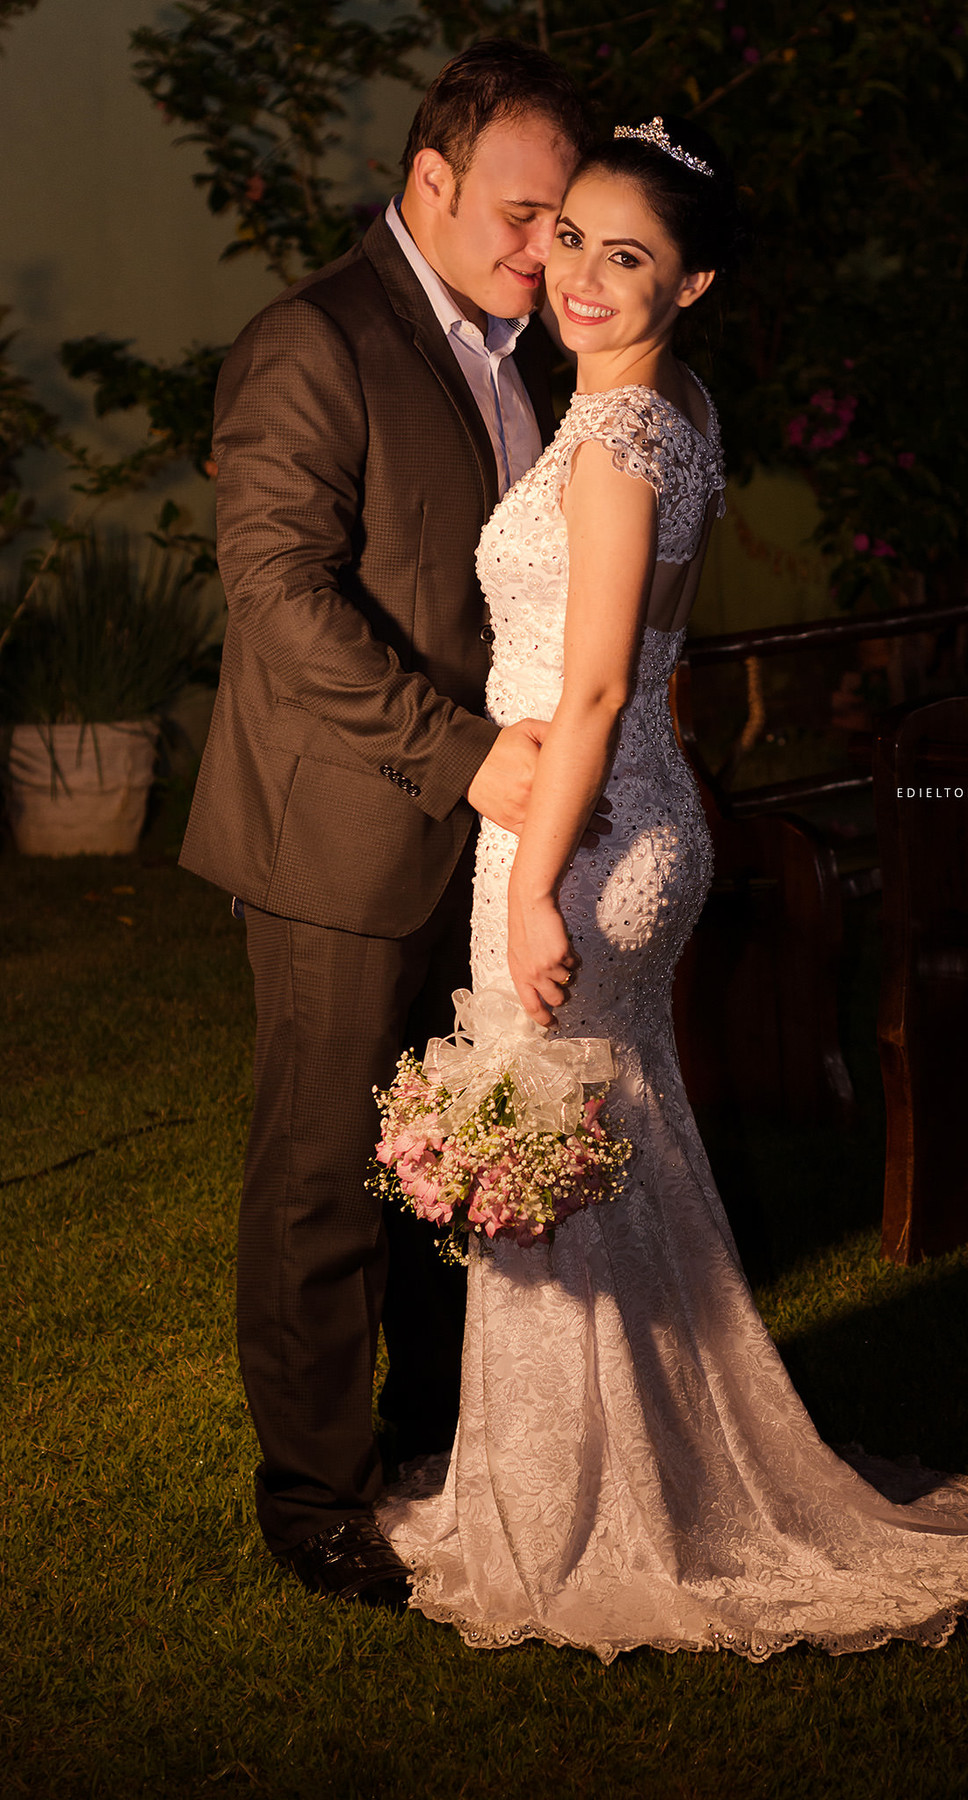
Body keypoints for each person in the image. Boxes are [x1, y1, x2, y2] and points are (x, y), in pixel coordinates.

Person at [378, 117, 968, 1660]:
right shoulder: (656, 406)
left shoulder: (619, 437)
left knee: (549, 1147)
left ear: (692, 283)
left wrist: (536, 887)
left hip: (587, 824)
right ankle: (619, 1477)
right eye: (572, 242)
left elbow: (604, 682)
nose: (584, 278)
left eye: (629, 258)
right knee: (617, 1146)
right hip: (623, 819)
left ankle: (583, 1518)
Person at [179, 41, 591, 1608]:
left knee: (446, 1156)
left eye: (565, 221)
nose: (544, 248)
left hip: (475, 833)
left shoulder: (512, 351)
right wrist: (462, 754)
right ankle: (312, 1489)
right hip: (341, 837)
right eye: (522, 211)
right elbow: (279, 594)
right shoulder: (313, 342)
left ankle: (429, 1427)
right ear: (428, 181)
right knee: (320, 1166)